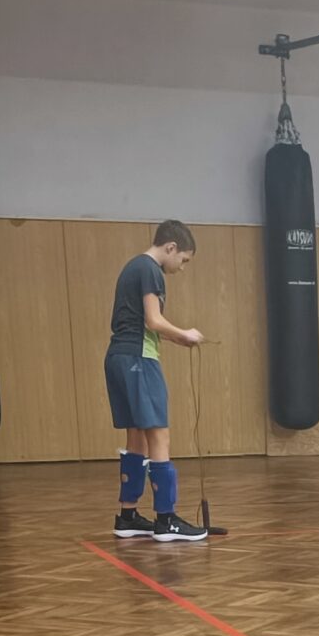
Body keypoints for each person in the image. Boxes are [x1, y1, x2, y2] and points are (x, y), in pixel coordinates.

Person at [105, 221, 208, 542]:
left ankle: (128, 517)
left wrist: (178, 339)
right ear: (171, 247)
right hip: (138, 360)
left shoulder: (133, 267)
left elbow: (143, 323)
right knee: (158, 434)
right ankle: (166, 519)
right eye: (184, 260)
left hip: (119, 357)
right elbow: (153, 320)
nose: (182, 267)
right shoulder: (151, 269)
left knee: (136, 435)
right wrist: (185, 332)